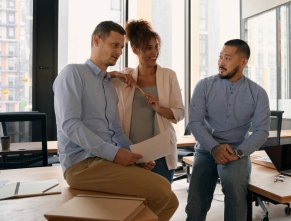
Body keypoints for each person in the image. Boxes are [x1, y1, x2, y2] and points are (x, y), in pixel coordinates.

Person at [53, 21, 178, 221]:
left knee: (170, 201)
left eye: (121, 46)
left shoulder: (109, 85)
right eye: (115, 45)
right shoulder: (73, 73)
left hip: (106, 161)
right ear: (96, 40)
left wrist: (134, 155)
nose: (119, 51)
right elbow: (70, 125)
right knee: (162, 189)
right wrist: (115, 154)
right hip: (83, 165)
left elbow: (116, 131)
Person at [185, 39, 271, 221]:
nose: (221, 63)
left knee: (235, 191)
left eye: (228, 58)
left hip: (237, 151)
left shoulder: (258, 93)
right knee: (195, 202)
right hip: (206, 148)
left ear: (243, 61)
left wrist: (239, 152)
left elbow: (262, 130)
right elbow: (194, 122)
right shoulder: (204, 86)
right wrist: (214, 147)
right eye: (220, 57)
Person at [111, 19, 185, 182]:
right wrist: (116, 74)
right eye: (148, 48)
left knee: (163, 201)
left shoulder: (169, 76)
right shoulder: (125, 77)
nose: (154, 52)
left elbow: (180, 113)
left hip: (162, 153)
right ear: (135, 49)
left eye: (156, 46)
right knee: (135, 202)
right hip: (133, 153)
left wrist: (159, 108)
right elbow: (95, 78)